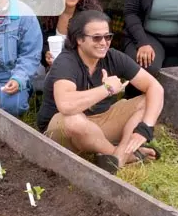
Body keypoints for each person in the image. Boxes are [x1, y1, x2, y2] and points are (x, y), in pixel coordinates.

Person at [36, 10, 164, 174]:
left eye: (108, 37)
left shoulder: (113, 57)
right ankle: (120, 155)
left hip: (100, 123)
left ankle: (119, 156)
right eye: (97, 37)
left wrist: (145, 128)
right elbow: (66, 105)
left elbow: (155, 87)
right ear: (79, 39)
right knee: (73, 120)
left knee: (148, 100)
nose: (104, 42)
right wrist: (107, 89)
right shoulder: (66, 61)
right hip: (62, 130)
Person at [32, 0, 103, 92]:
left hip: (83, 68)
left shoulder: (90, 16)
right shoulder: (48, 13)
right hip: (54, 66)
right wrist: (47, 54)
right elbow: (40, 43)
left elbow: (96, 49)